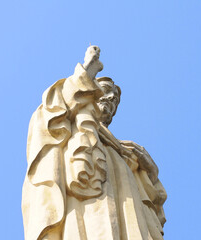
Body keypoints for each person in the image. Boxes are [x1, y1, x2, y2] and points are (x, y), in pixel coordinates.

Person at [22, 46, 167, 240]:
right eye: (105, 92)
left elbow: (154, 202)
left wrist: (149, 168)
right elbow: (57, 108)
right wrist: (88, 70)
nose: (109, 100)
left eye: (114, 100)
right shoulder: (74, 126)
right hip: (83, 207)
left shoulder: (126, 152)